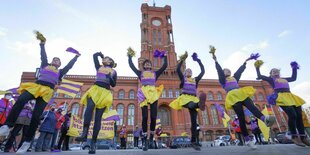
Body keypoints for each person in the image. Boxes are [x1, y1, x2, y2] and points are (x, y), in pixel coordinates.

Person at [0, 31, 80, 154]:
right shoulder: (44, 65)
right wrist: (42, 44)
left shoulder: (60, 72)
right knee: (21, 100)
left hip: (47, 91)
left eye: (58, 60)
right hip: (36, 87)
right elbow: (43, 55)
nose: (56, 60)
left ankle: (26, 142)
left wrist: (75, 57)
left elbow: (69, 66)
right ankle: (7, 125)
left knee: (36, 116)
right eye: (54, 59)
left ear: (60, 64)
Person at [211, 49, 275, 150]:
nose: (227, 71)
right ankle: (246, 139)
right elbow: (219, 70)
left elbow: (239, 71)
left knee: (252, 106)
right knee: (241, 118)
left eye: (228, 70)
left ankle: (264, 119)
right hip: (232, 96)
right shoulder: (222, 80)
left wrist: (245, 61)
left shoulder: (234, 78)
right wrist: (216, 60)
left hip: (241, 93)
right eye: (225, 70)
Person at [255, 60, 310, 147]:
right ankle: (294, 136)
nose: (276, 72)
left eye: (277, 71)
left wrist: (294, 68)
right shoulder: (271, 80)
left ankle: (303, 137)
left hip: (291, 97)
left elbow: (293, 78)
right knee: (292, 115)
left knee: (299, 116)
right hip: (281, 97)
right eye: (274, 71)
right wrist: (257, 67)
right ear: (271, 74)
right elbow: (260, 76)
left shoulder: (284, 79)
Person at [75, 51, 117, 154]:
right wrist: (100, 54)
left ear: (110, 61)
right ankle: (84, 133)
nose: (105, 60)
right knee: (89, 108)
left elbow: (114, 84)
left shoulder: (114, 71)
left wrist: (109, 77)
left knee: (98, 118)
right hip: (95, 90)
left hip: (105, 93)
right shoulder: (98, 67)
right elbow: (94, 56)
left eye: (107, 58)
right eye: (104, 59)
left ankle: (93, 144)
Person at [127, 48, 167, 151]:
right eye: (146, 64)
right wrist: (130, 56)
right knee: (145, 117)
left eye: (149, 63)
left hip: (153, 93)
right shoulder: (140, 73)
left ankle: (151, 137)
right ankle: (144, 139)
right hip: (143, 93)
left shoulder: (155, 73)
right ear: (144, 66)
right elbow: (131, 66)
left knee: (153, 116)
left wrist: (165, 56)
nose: (148, 64)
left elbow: (164, 66)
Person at [169, 52, 206, 151]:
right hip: (185, 98)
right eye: (187, 71)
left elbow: (202, 71)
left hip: (193, 98)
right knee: (191, 104)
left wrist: (198, 61)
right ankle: (199, 104)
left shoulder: (195, 80)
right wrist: (182, 59)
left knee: (194, 122)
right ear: (184, 73)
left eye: (190, 71)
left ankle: (193, 141)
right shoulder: (183, 79)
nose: (189, 71)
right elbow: (177, 69)